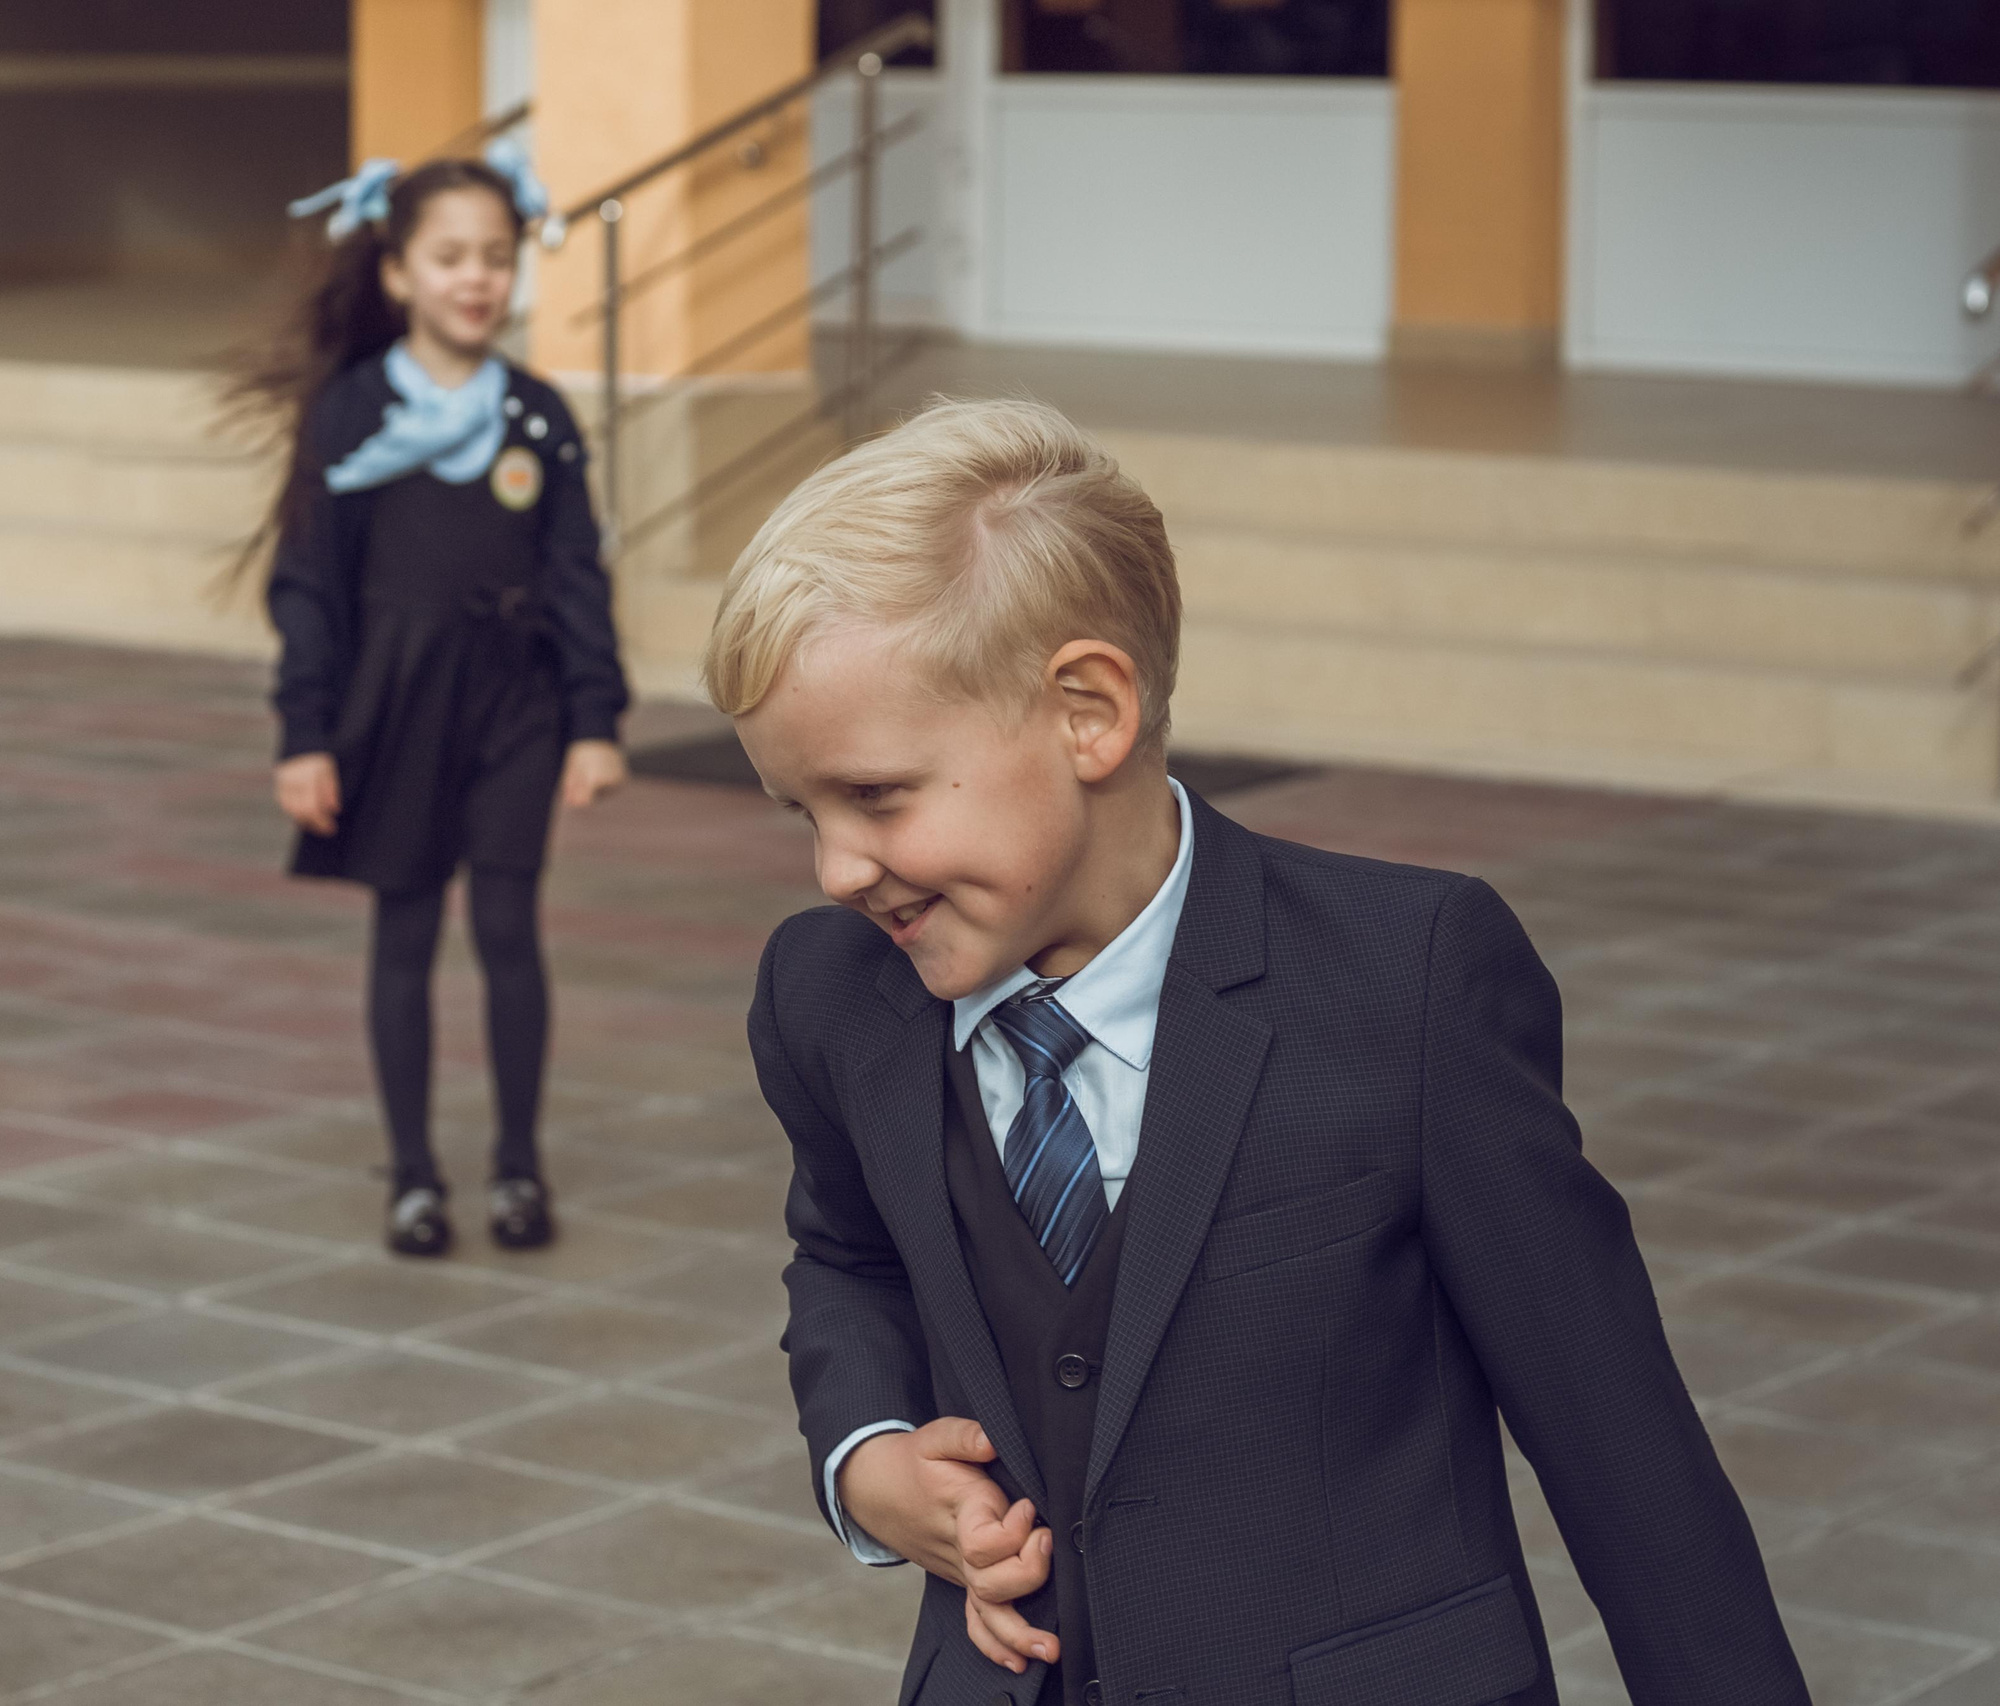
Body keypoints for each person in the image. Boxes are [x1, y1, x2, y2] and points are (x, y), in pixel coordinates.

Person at [705, 398, 1807, 1705]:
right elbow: (845, 1253)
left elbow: (1618, 1444)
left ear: (1088, 710)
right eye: (800, 809)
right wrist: (870, 1452)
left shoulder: (1407, 983)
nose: (836, 868)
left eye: (876, 794)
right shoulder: (829, 997)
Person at [254, 146, 629, 1258]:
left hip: (514, 708)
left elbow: (576, 573)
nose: (476, 278)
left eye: (496, 257)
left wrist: (596, 717)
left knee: (510, 927)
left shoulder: (539, 416)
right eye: (450, 257)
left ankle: (518, 1166)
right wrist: (304, 733)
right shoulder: (351, 413)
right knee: (404, 932)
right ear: (398, 274)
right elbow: (308, 588)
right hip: (394, 704)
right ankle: (413, 1176)